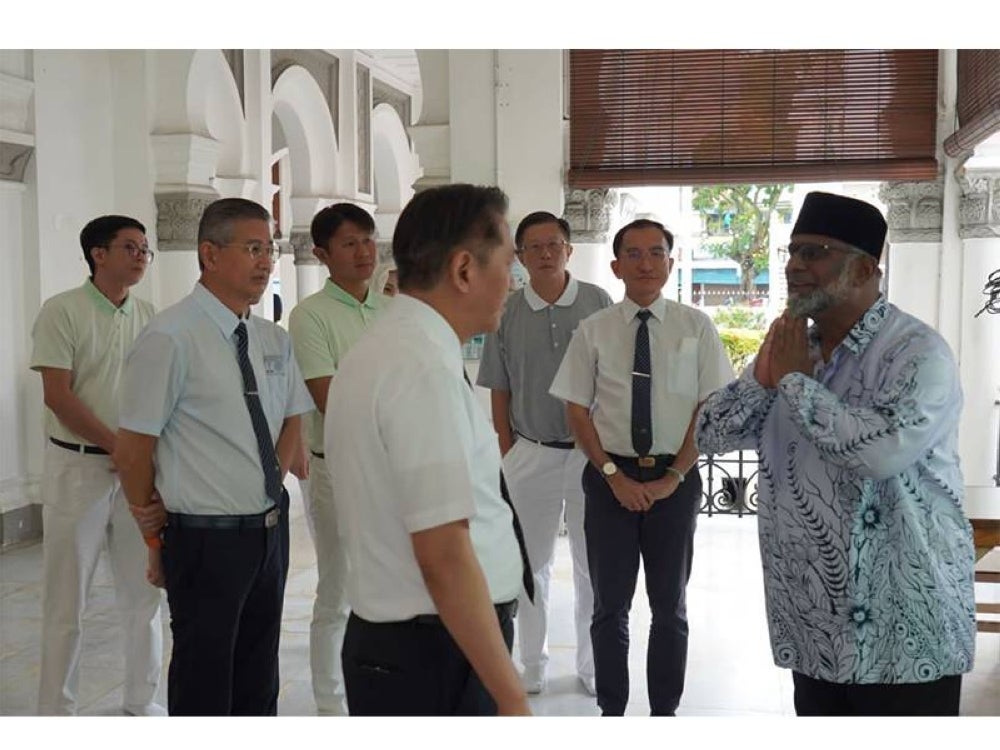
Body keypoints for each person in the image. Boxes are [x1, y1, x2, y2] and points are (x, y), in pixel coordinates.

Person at [695, 192, 976, 716]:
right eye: (793, 251)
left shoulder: (916, 353)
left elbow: (880, 452)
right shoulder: (792, 349)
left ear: (866, 268)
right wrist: (763, 378)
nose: (795, 266)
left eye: (816, 252)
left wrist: (797, 384)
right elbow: (708, 435)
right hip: (815, 627)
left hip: (904, 632)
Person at [326, 184, 531, 716]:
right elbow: (443, 554)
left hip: (419, 644)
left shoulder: (397, 346)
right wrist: (513, 700)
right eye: (509, 263)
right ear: (464, 270)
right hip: (433, 653)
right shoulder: (418, 367)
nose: (513, 282)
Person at [114, 197, 313, 715]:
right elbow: (135, 445)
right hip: (205, 537)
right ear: (209, 254)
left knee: (258, 674)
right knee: (205, 680)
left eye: (269, 248)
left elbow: (294, 413)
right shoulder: (170, 338)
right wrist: (151, 526)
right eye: (252, 248)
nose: (266, 261)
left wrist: (274, 485)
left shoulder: (272, 337)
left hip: (269, 532)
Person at [550, 218, 733, 716]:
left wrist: (675, 475)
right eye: (633, 253)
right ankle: (612, 710)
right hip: (610, 479)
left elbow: (708, 406)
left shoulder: (696, 326)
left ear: (671, 264)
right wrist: (614, 476)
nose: (645, 262)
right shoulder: (593, 331)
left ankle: (664, 714)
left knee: (669, 607)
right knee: (609, 607)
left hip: (676, 479)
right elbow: (575, 410)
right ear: (616, 265)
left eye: (656, 253)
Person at [30, 215, 165, 716]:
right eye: (130, 247)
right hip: (77, 469)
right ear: (98, 254)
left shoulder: (149, 315)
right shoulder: (61, 311)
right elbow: (58, 396)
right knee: (67, 602)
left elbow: (158, 394)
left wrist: (139, 459)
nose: (141, 257)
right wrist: (119, 446)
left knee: (144, 595)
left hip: (135, 473)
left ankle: (142, 702)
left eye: (146, 249)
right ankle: (55, 715)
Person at [477, 210, 611, 696]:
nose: (546, 253)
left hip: (588, 455)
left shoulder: (597, 303)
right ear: (520, 256)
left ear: (568, 249)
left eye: (554, 244)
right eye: (534, 246)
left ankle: (593, 668)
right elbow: (499, 387)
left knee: (590, 563)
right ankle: (530, 665)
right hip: (530, 453)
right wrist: (510, 450)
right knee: (527, 566)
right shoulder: (507, 311)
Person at [287, 202, 388, 715]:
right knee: (338, 585)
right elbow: (330, 398)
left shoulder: (391, 309)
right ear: (323, 254)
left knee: (389, 583)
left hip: (393, 469)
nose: (364, 251)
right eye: (350, 243)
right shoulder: (309, 317)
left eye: (368, 239)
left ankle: (380, 688)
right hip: (338, 467)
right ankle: (330, 704)